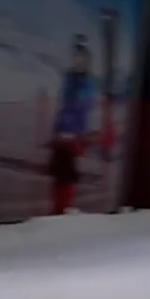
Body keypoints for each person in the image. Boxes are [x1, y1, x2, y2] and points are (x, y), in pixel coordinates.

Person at [48, 35, 94, 215]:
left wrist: (75, 132)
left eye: (81, 57)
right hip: (65, 132)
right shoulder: (72, 80)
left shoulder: (83, 83)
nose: (78, 60)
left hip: (72, 133)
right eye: (76, 57)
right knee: (61, 174)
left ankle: (62, 208)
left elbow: (79, 108)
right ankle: (59, 208)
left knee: (65, 174)